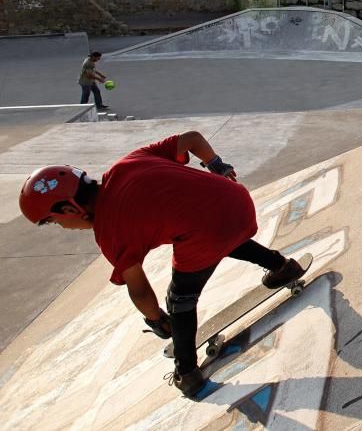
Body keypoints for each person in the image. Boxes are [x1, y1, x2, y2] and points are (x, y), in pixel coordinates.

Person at [18, 132, 306, 398]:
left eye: (54, 221)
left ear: (70, 209)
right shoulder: (128, 162)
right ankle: (282, 267)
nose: (62, 227)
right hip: (237, 201)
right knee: (215, 237)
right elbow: (192, 138)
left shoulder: (109, 231)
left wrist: (156, 319)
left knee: (180, 298)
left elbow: (139, 288)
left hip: (208, 231)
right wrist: (215, 164)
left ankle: (187, 371)